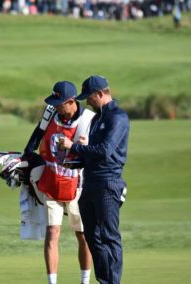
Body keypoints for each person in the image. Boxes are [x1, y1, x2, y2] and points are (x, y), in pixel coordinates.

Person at [60, 75, 129, 284]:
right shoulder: (98, 117)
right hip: (90, 183)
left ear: (100, 94)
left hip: (108, 183)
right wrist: (75, 162)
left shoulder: (117, 117)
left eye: (89, 97)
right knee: (93, 237)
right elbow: (92, 153)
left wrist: (73, 147)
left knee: (109, 237)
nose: (87, 102)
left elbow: (105, 151)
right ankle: (104, 280)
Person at [24, 81, 93, 284]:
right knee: (52, 232)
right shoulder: (50, 113)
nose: (55, 106)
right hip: (51, 183)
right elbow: (35, 139)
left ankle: (85, 280)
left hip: (78, 187)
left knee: (82, 235)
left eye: (59, 103)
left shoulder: (88, 120)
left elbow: (96, 154)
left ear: (71, 102)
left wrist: (82, 147)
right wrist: (25, 159)